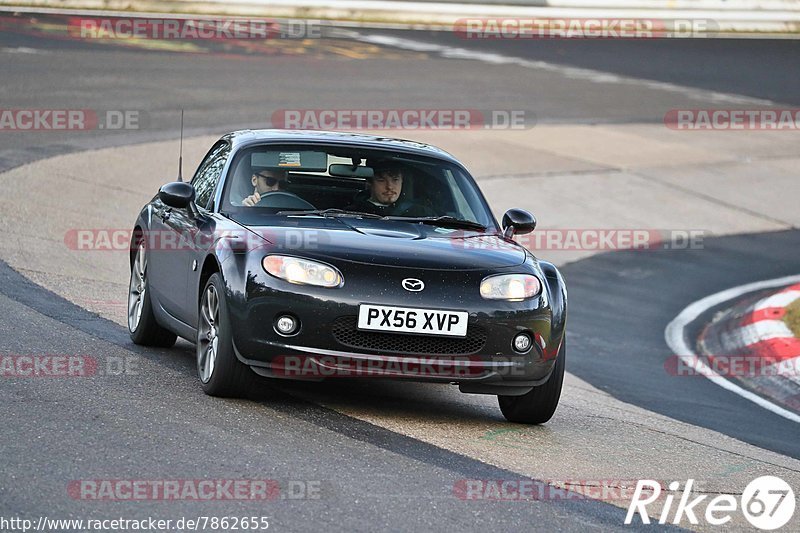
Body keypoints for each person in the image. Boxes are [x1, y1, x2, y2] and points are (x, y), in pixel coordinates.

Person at [347, 163, 433, 217]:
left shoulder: (422, 214)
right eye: (381, 180)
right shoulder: (352, 213)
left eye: (395, 180)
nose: (389, 187)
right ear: (369, 183)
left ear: (402, 181)